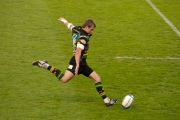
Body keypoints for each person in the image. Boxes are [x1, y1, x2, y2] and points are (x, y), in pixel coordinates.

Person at [32, 17, 117, 107]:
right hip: (77, 62)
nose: (92, 31)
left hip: (83, 64)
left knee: (97, 78)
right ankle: (45, 65)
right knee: (64, 79)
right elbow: (78, 52)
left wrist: (64, 20)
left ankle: (107, 101)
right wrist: (77, 65)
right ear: (87, 27)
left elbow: (70, 25)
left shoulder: (77, 29)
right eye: (91, 29)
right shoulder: (83, 38)